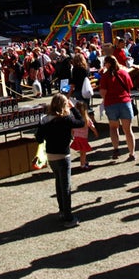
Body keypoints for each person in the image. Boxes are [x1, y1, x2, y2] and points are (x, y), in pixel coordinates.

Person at [36, 94, 85, 228]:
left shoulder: (45, 120)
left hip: (51, 155)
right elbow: (81, 122)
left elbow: (38, 138)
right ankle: (68, 217)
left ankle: (62, 211)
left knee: (59, 183)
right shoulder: (66, 119)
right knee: (66, 187)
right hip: (63, 156)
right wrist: (73, 108)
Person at [98, 55, 136, 161]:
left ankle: (116, 149)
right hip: (125, 102)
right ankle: (132, 153)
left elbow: (103, 92)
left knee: (113, 127)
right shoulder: (124, 73)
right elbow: (130, 87)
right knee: (128, 129)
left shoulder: (105, 76)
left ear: (107, 63)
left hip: (111, 103)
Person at [70, 103, 96, 171]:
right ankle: (83, 165)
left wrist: (72, 134)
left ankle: (84, 162)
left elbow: (72, 128)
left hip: (77, 137)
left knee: (82, 152)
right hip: (83, 138)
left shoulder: (73, 118)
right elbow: (92, 126)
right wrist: (95, 132)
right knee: (83, 153)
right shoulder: (86, 119)